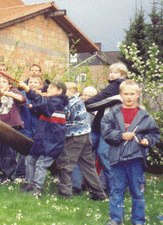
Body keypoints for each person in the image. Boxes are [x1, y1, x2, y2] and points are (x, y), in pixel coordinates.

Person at [102, 79, 160, 225]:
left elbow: (154, 133)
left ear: (138, 95)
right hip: (117, 159)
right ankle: (116, 218)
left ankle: (138, 220)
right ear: (120, 95)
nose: (129, 97)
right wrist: (121, 136)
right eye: (126, 94)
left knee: (137, 191)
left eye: (132, 94)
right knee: (116, 190)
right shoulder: (112, 114)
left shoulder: (145, 116)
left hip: (136, 159)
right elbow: (106, 132)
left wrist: (147, 140)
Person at [16, 79, 68, 197]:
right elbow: (41, 107)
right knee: (29, 159)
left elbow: (43, 104)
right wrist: (33, 106)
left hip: (52, 142)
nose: (47, 89)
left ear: (59, 91)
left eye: (51, 87)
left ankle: (37, 188)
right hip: (43, 139)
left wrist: (27, 89)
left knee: (41, 163)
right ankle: (29, 183)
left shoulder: (57, 102)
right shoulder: (51, 101)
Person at [55, 83, 106, 200]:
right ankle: (98, 194)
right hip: (85, 136)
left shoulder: (72, 102)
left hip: (75, 136)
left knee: (64, 163)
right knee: (88, 166)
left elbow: (63, 116)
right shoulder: (77, 101)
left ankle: (65, 194)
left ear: (72, 91)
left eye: (63, 90)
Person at [84, 62, 128, 195]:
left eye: (115, 72)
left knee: (103, 155)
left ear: (122, 75)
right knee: (90, 154)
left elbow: (99, 99)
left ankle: (115, 187)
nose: (112, 74)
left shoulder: (118, 86)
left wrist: (83, 104)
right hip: (99, 126)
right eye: (110, 72)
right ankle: (99, 186)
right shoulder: (112, 86)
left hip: (108, 128)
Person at [0, 76, 26, 182]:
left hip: (12, 125)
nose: (1, 83)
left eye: (4, 82)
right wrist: (0, 96)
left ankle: (7, 175)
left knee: (9, 151)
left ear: (10, 85)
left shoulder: (15, 92)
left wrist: (10, 94)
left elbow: (23, 99)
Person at [72, 86, 100, 194]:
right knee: (78, 160)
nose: (86, 97)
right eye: (85, 94)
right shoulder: (77, 105)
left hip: (92, 137)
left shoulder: (98, 108)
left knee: (89, 162)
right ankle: (77, 185)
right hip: (79, 136)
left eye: (90, 96)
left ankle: (87, 185)